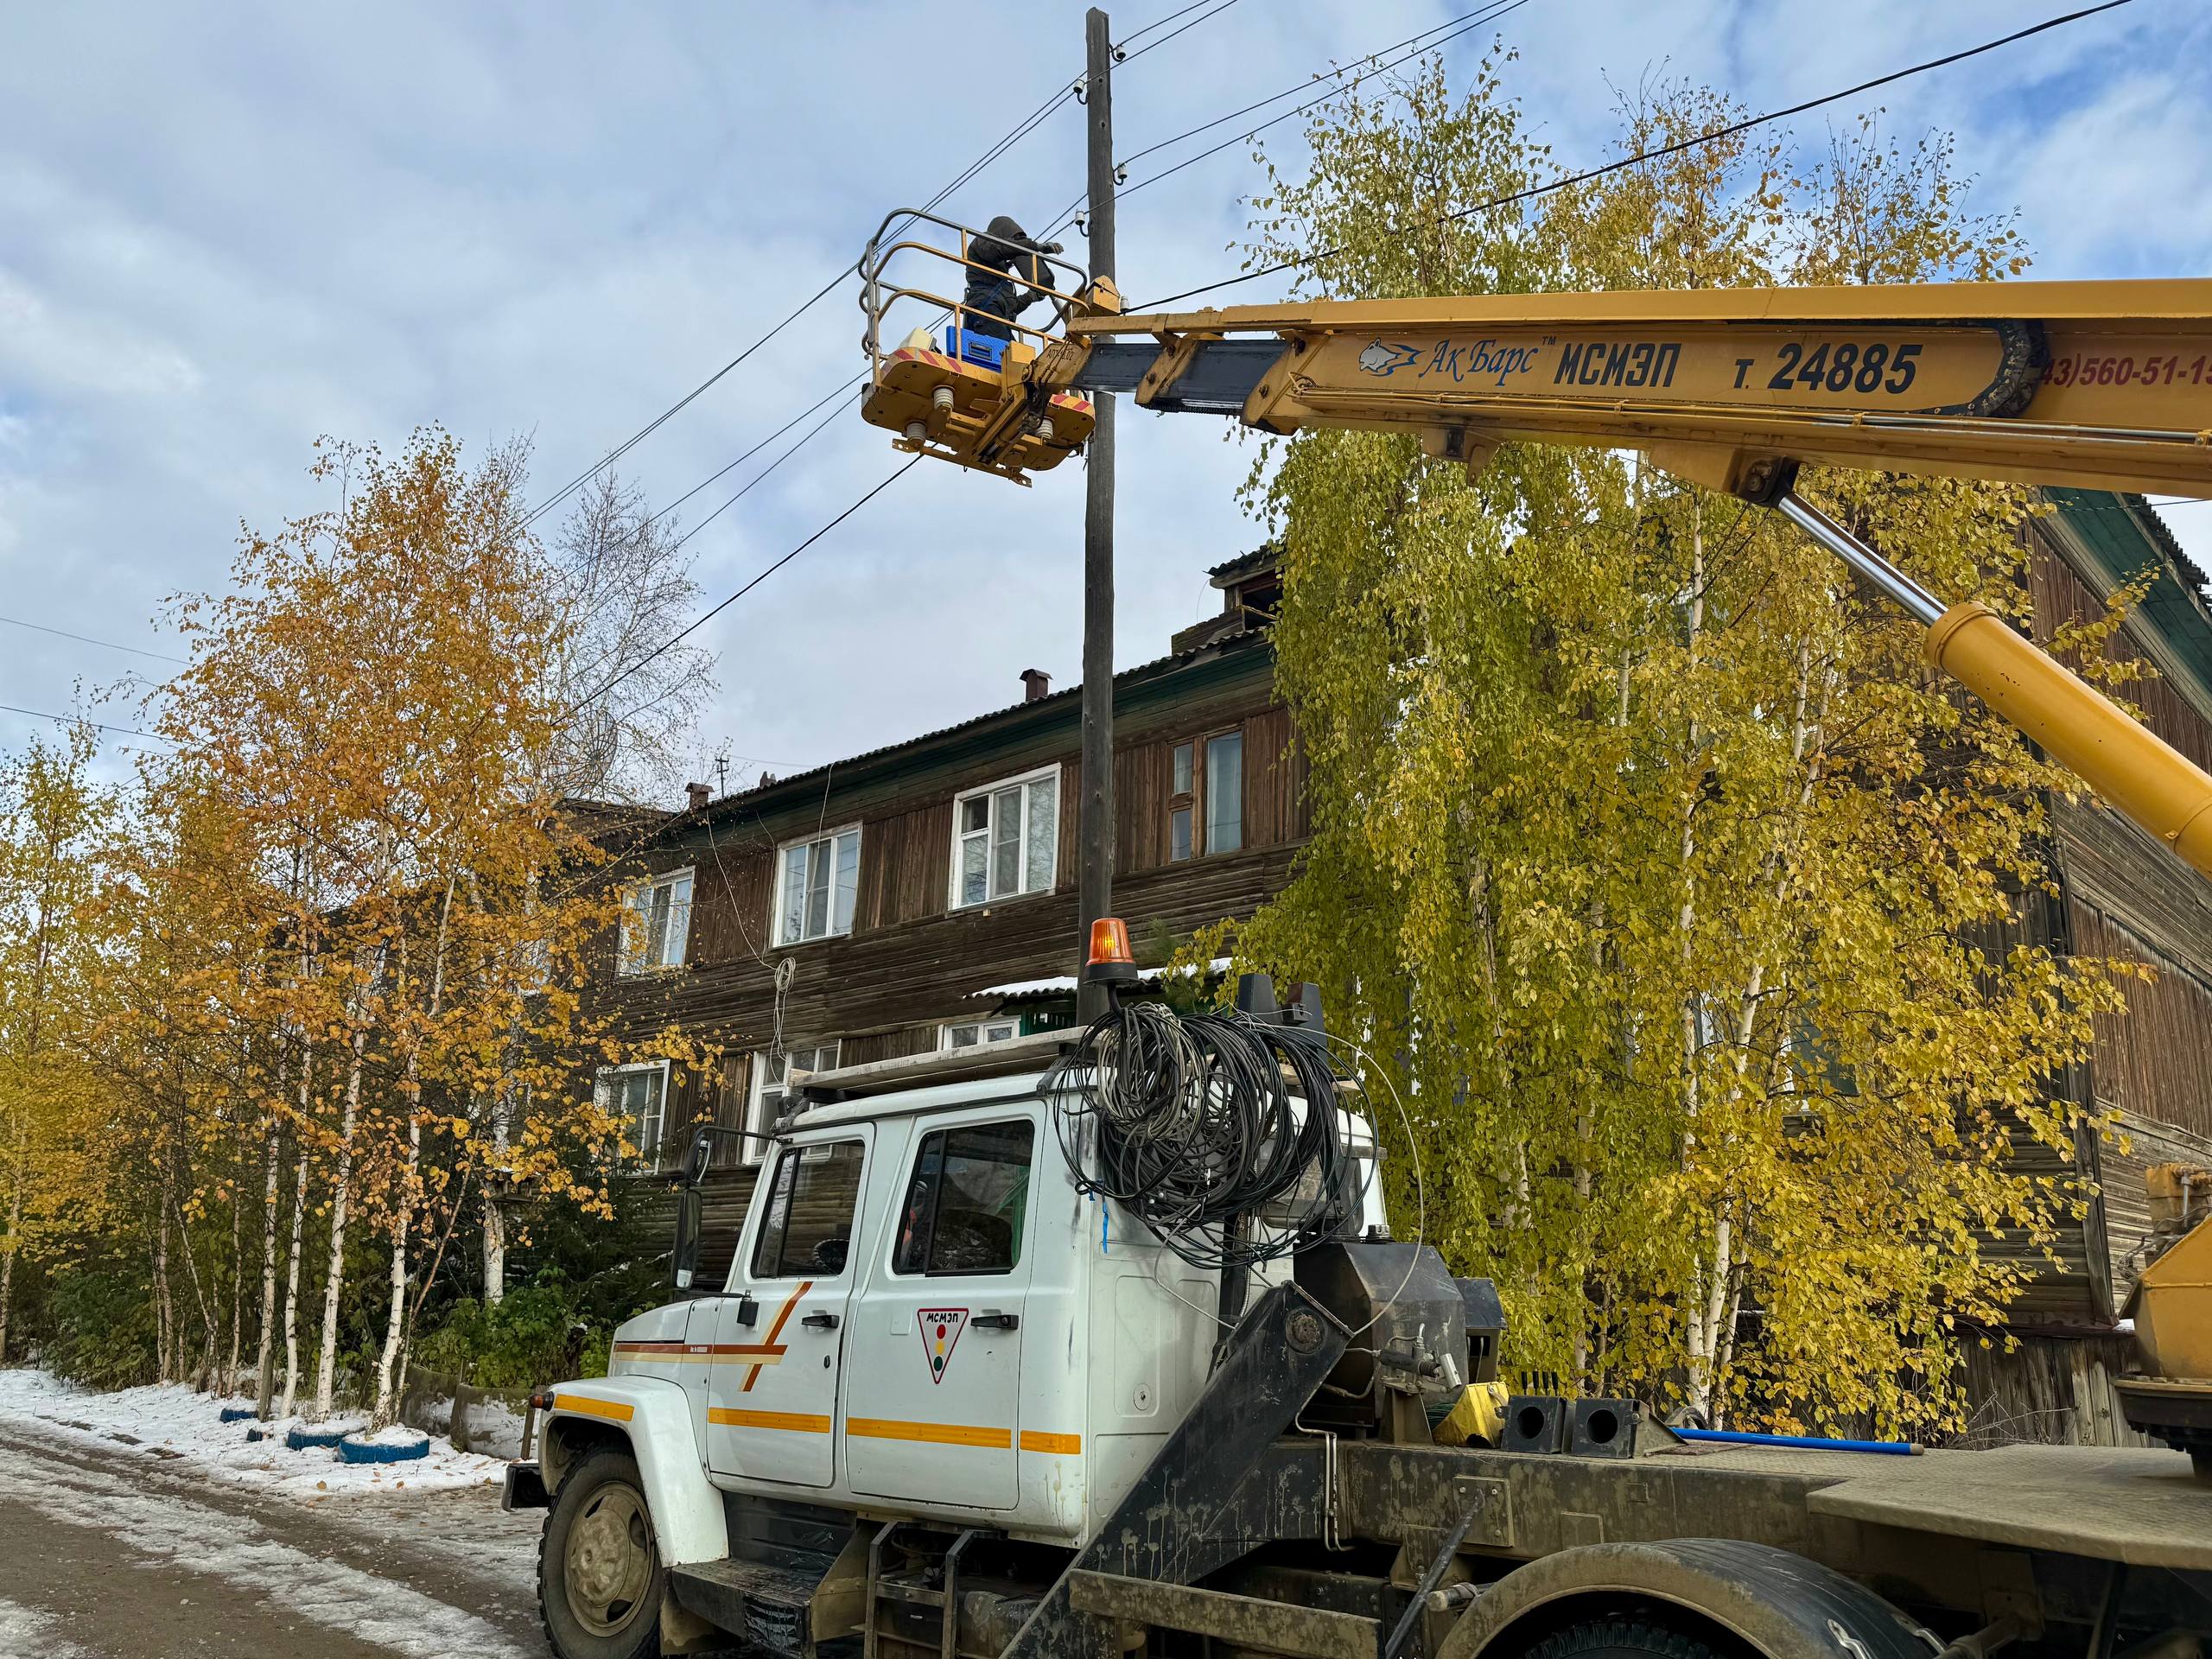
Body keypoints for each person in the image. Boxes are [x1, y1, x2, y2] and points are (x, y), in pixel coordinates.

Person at [962, 215, 1063, 342]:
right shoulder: (983, 241)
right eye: (1014, 240)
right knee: (1008, 355)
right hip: (985, 315)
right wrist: (1037, 247)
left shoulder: (998, 278)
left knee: (1019, 356)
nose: (1016, 243)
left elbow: (1009, 307)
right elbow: (1002, 248)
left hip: (994, 318)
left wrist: (1030, 297)